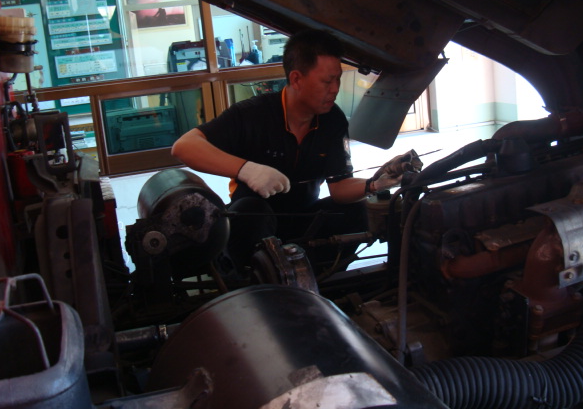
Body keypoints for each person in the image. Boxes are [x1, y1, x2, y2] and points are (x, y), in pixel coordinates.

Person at [171, 29, 412, 276]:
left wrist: (374, 184)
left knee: (357, 211)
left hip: (304, 219)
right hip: (254, 224)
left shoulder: (333, 120)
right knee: (250, 212)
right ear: (296, 79)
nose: (335, 89)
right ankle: (254, 284)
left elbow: (340, 188)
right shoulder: (252, 114)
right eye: (327, 81)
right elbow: (184, 146)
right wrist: (246, 169)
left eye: (338, 79)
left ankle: (319, 281)